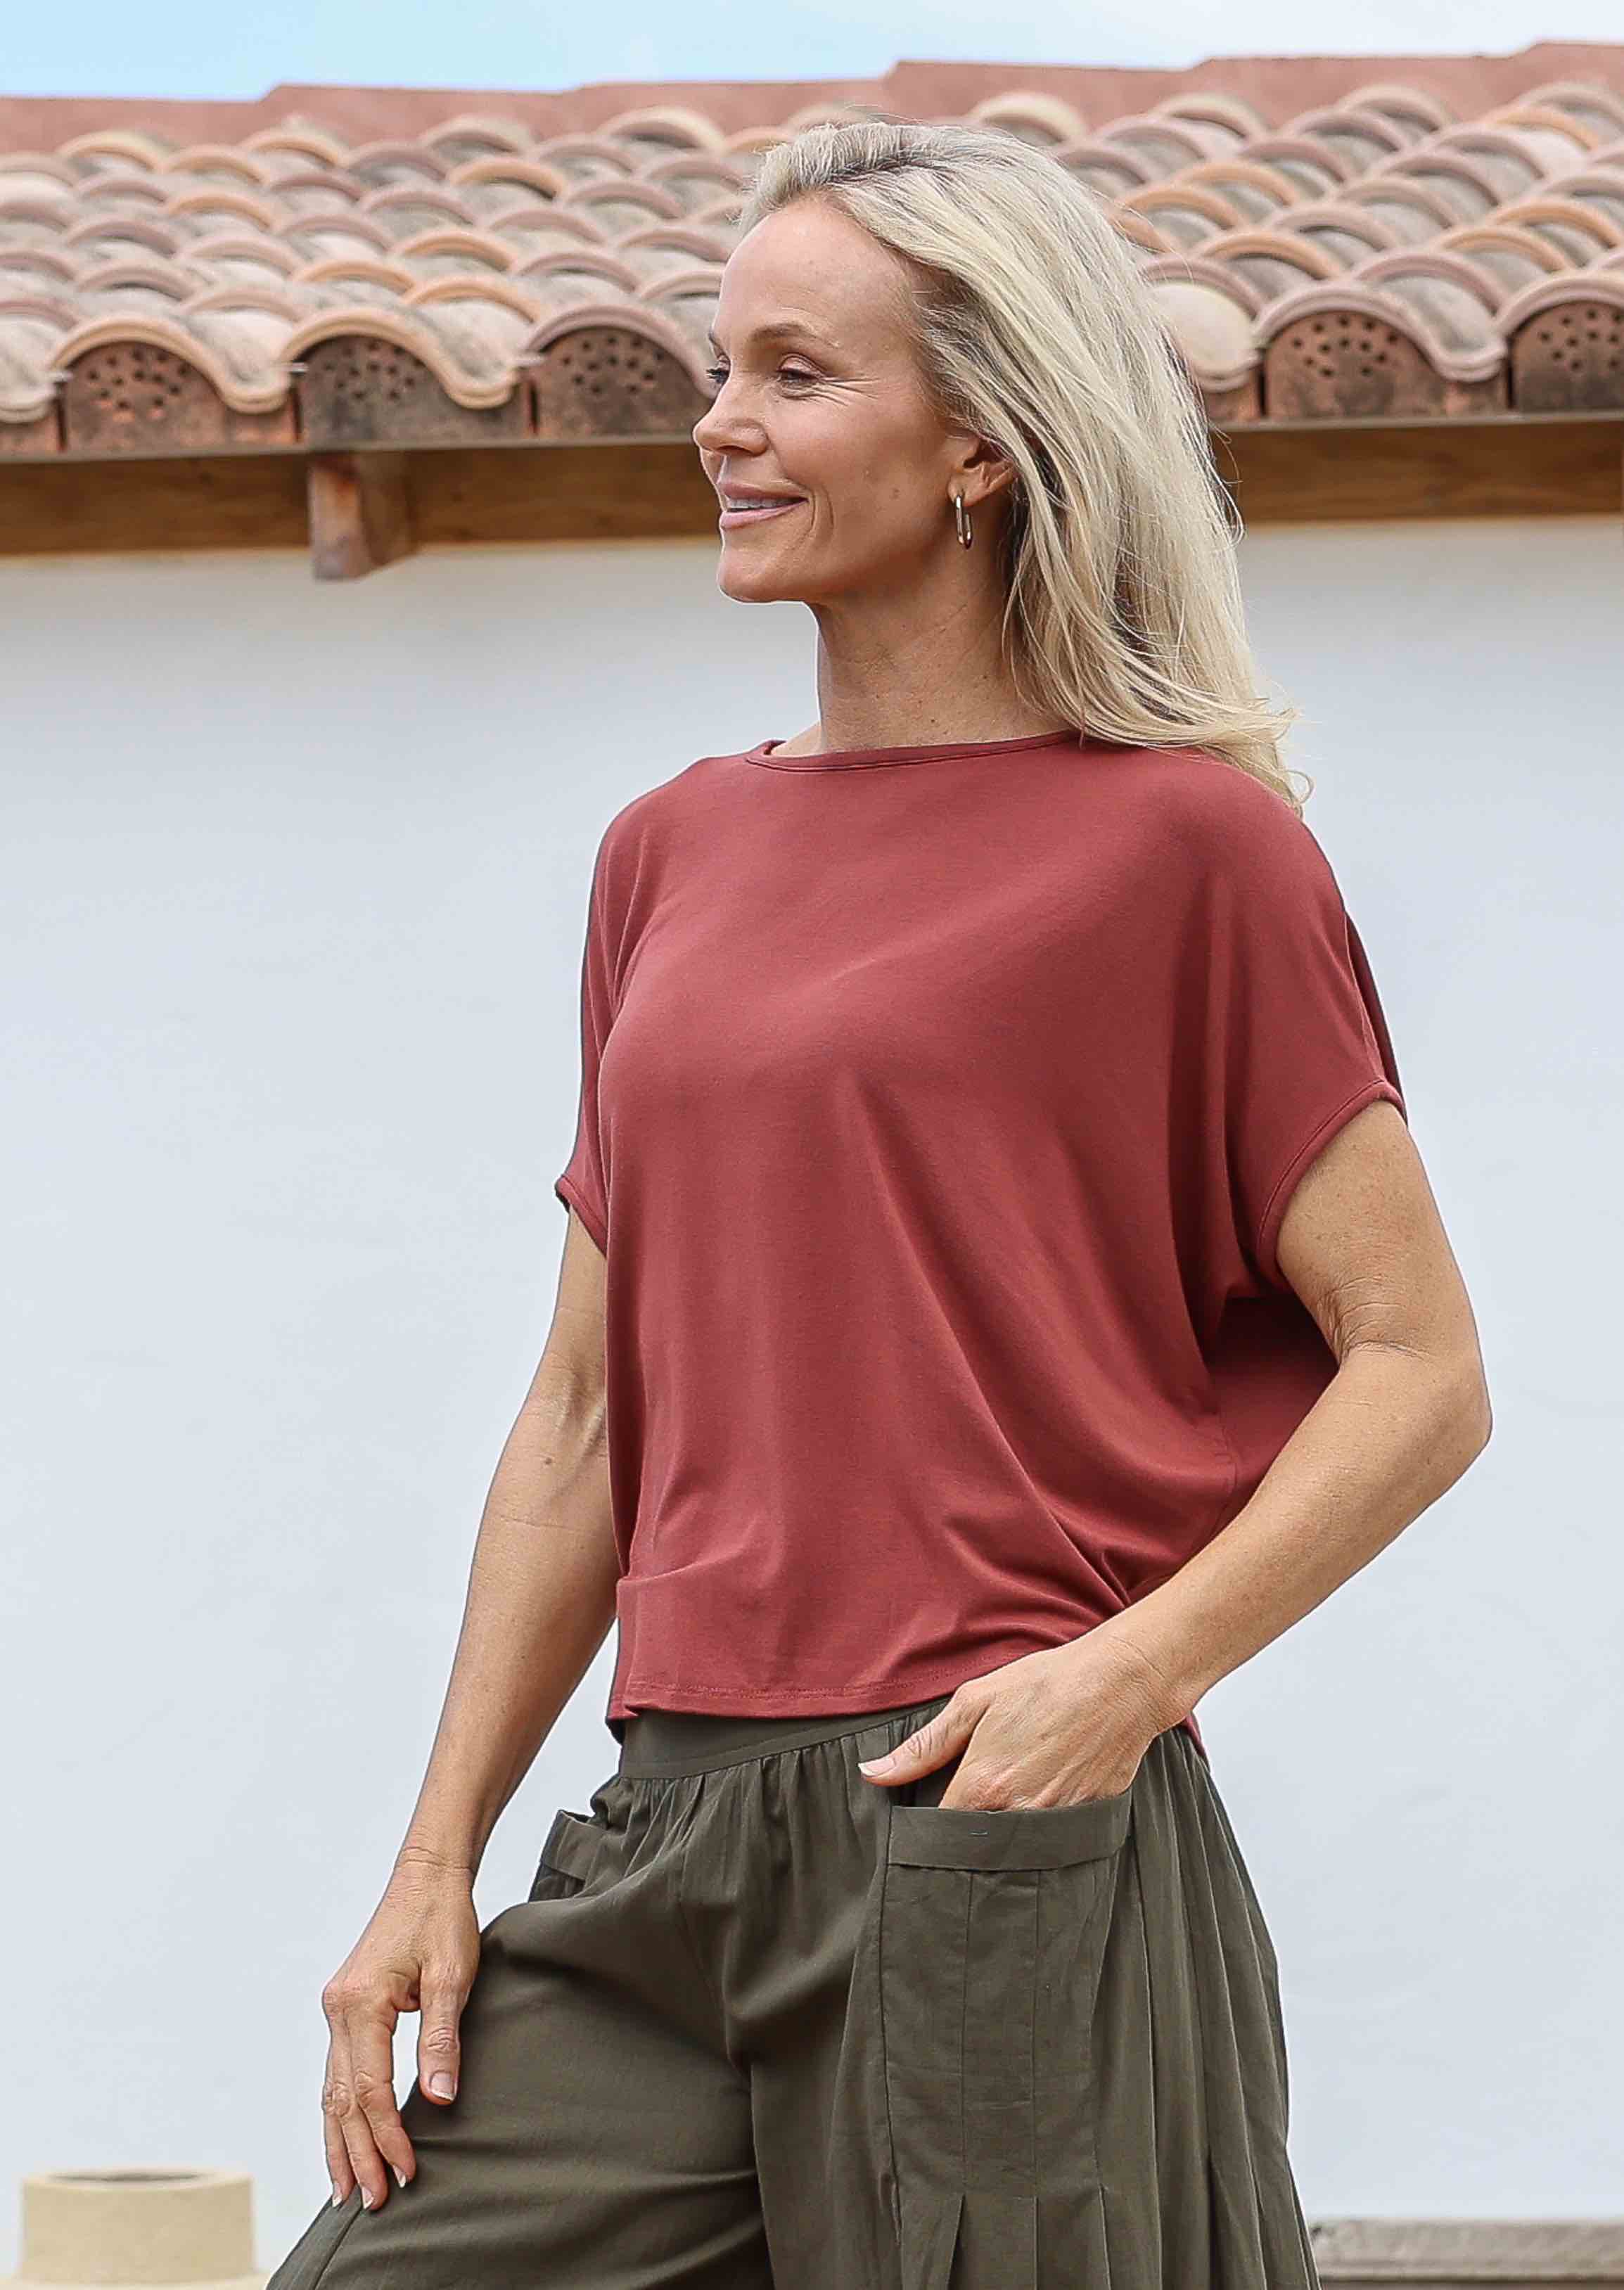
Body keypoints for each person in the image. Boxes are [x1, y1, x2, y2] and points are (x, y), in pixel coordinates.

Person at [266, 117, 1491, 2290]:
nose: (720, 425)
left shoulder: (1188, 858)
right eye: (722, 366)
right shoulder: (669, 856)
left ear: (983, 447)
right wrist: (433, 1857)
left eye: (798, 375)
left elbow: (1421, 1369)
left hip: (998, 1820)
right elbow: (578, 1419)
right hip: (667, 1829)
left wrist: (1131, 1674)